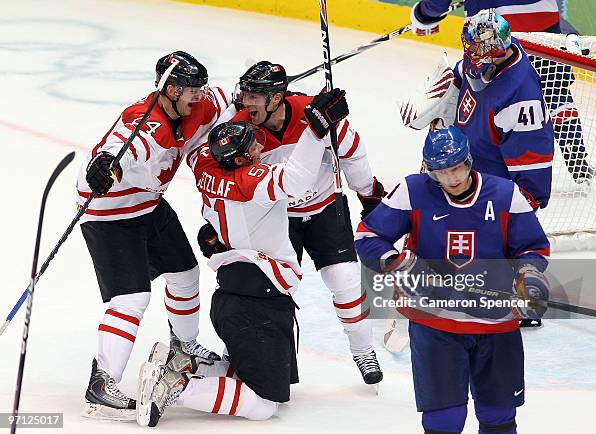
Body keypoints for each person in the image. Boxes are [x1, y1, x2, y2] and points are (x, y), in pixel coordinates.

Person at [136, 90, 349, 426]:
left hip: (234, 296)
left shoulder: (206, 167)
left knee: (249, 372)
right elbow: (295, 179)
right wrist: (316, 129)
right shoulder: (252, 183)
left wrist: (238, 106)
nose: (260, 148)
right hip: (257, 303)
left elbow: (200, 145)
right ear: (239, 160)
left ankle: (188, 364)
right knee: (265, 405)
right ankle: (178, 385)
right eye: (252, 147)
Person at [355, 126, 551, 434]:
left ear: (470, 161)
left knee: (498, 416)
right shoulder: (413, 190)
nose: (453, 178)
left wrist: (526, 277)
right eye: (443, 172)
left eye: (458, 167)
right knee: (443, 422)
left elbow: (533, 248)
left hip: (495, 322)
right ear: (430, 171)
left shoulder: (504, 194)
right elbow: (368, 237)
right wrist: (399, 263)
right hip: (436, 323)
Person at [77, 51, 228, 420]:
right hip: (109, 211)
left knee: (185, 274)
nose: (199, 95)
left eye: (200, 88)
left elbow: (232, 97)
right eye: (192, 89)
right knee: (131, 297)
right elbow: (119, 149)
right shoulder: (144, 125)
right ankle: (102, 383)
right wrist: (105, 167)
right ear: (170, 89)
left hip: (148, 203)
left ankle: (185, 348)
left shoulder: (200, 107)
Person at [226, 61, 385, 384]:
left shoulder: (314, 113)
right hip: (276, 216)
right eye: (246, 94)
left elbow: (351, 152)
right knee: (273, 290)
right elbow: (225, 176)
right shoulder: (241, 127)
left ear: (276, 98)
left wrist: (368, 194)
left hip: (325, 207)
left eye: (255, 96)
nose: (246, 102)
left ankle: (363, 350)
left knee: (345, 281)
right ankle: (264, 356)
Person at [402, 10, 554, 327]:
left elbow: (533, 175)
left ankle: (520, 290)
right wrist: (441, 91)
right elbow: (463, 72)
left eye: (484, 56)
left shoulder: (519, 99)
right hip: (467, 163)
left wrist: (504, 216)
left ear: (500, 48)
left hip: (493, 183)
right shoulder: (483, 52)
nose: (476, 61)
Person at [409, 0, 595, 182]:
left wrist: (423, 14)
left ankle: (460, 164)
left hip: (490, 29)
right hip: (544, 18)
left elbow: (436, 5)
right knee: (555, 90)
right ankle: (576, 150)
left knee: (479, 98)